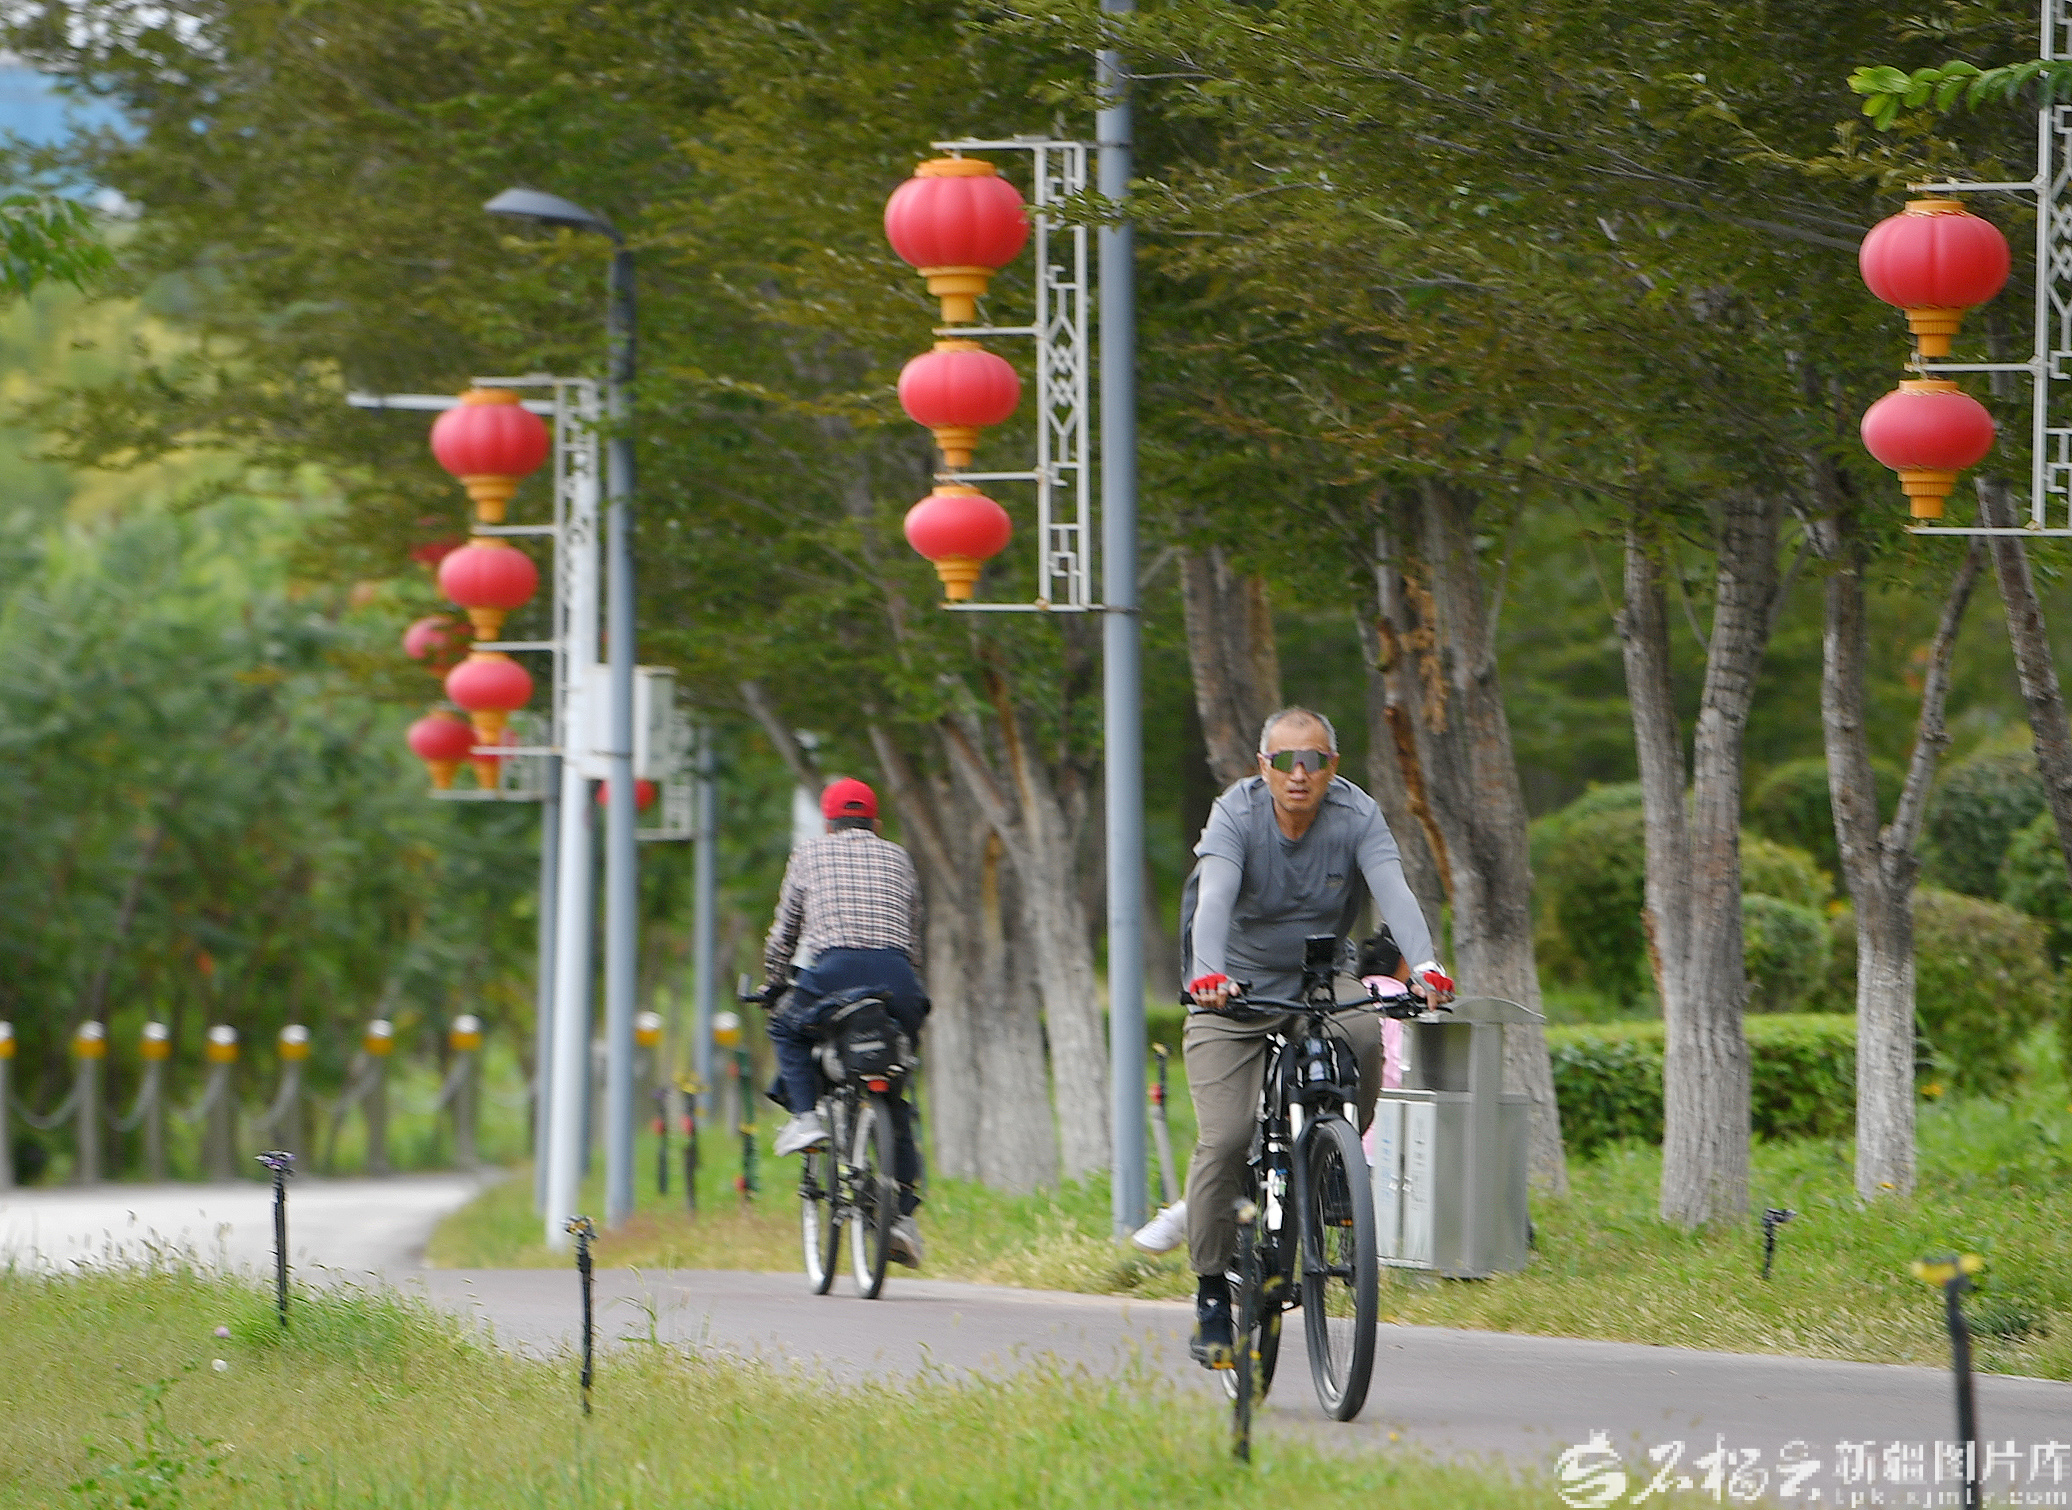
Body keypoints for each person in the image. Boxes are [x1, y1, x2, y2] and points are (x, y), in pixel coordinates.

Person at [1172, 707, 1453, 1368]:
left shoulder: (1357, 815)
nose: (1299, 774)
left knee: (1364, 1031)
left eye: (1314, 761)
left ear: (1333, 766)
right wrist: (1208, 973)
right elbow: (1214, 898)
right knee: (1226, 1139)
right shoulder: (1235, 814)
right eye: (1284, 761)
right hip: (1231, 992)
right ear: (1262, 767)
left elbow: (1395, 892)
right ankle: (1211, 1293)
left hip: (1318, 984)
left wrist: (1427, 965)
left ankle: (1334, 1161)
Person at [1129, 922, 1414, 1260]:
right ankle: (1203, 1217)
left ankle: (1195, 1207)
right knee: (1234, 1132)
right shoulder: (1389, 995)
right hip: (1250, 996)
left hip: (1316, 1011)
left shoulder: (1355, 987)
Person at [760, 776, 931, 1266]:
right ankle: (902, 1215)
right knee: (893, 1085)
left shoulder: (809, 854)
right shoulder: (898, 857)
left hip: (833, 971)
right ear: (875, 823)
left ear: (828, 823)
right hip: (897, 980)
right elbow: (913, 931)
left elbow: (785, 931)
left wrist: (774, 981)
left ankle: (805, 1119)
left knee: (786, 1027)